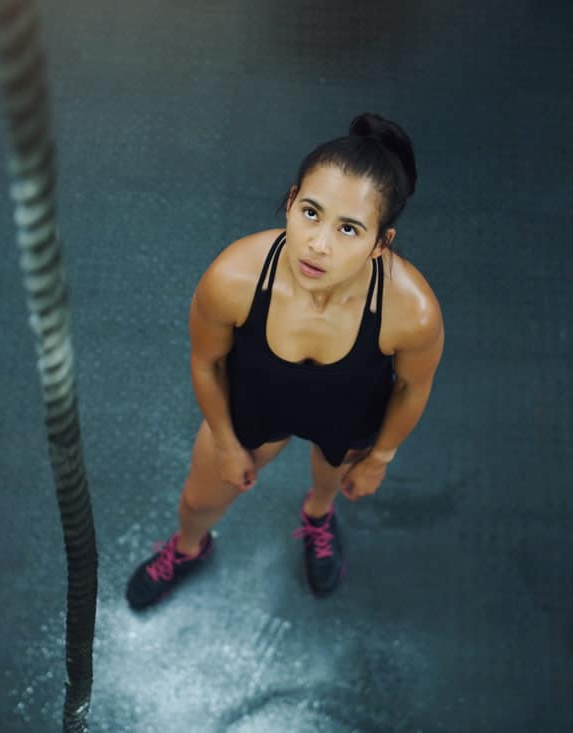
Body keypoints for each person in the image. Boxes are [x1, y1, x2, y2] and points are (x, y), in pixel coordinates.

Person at [125, 113, 444, 610]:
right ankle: (188, 548)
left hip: (350, 416)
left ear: (381, 244)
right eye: (312, 213)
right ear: (292, 201)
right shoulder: (233, 278)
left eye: (349, 229)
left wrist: (380, 457)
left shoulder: (412, 313)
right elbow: (207, 363)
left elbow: (412, 388)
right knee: (199, 500)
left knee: (329, 480)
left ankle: (319, 514)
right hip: (254, 404)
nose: (319, 244)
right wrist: (228, 443)